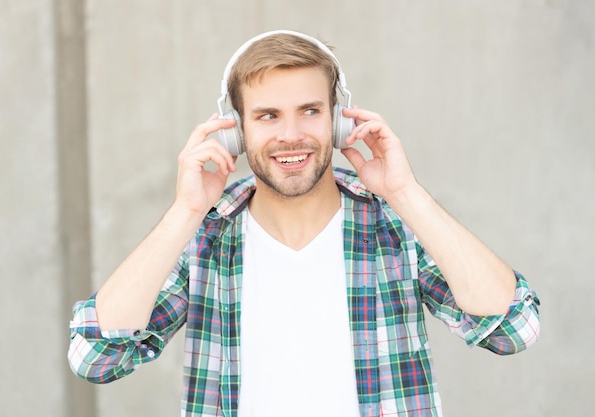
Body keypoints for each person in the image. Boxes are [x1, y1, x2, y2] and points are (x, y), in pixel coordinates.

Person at [68, 30, 540, 417]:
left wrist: (405, 192)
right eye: (268, 115)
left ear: (335, 120)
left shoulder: (394, 225)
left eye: (310, 111)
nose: (290, 135)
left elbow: (513, 328)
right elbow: (96, 358)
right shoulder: (205, 235)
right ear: (236, 130)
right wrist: (184, 212)